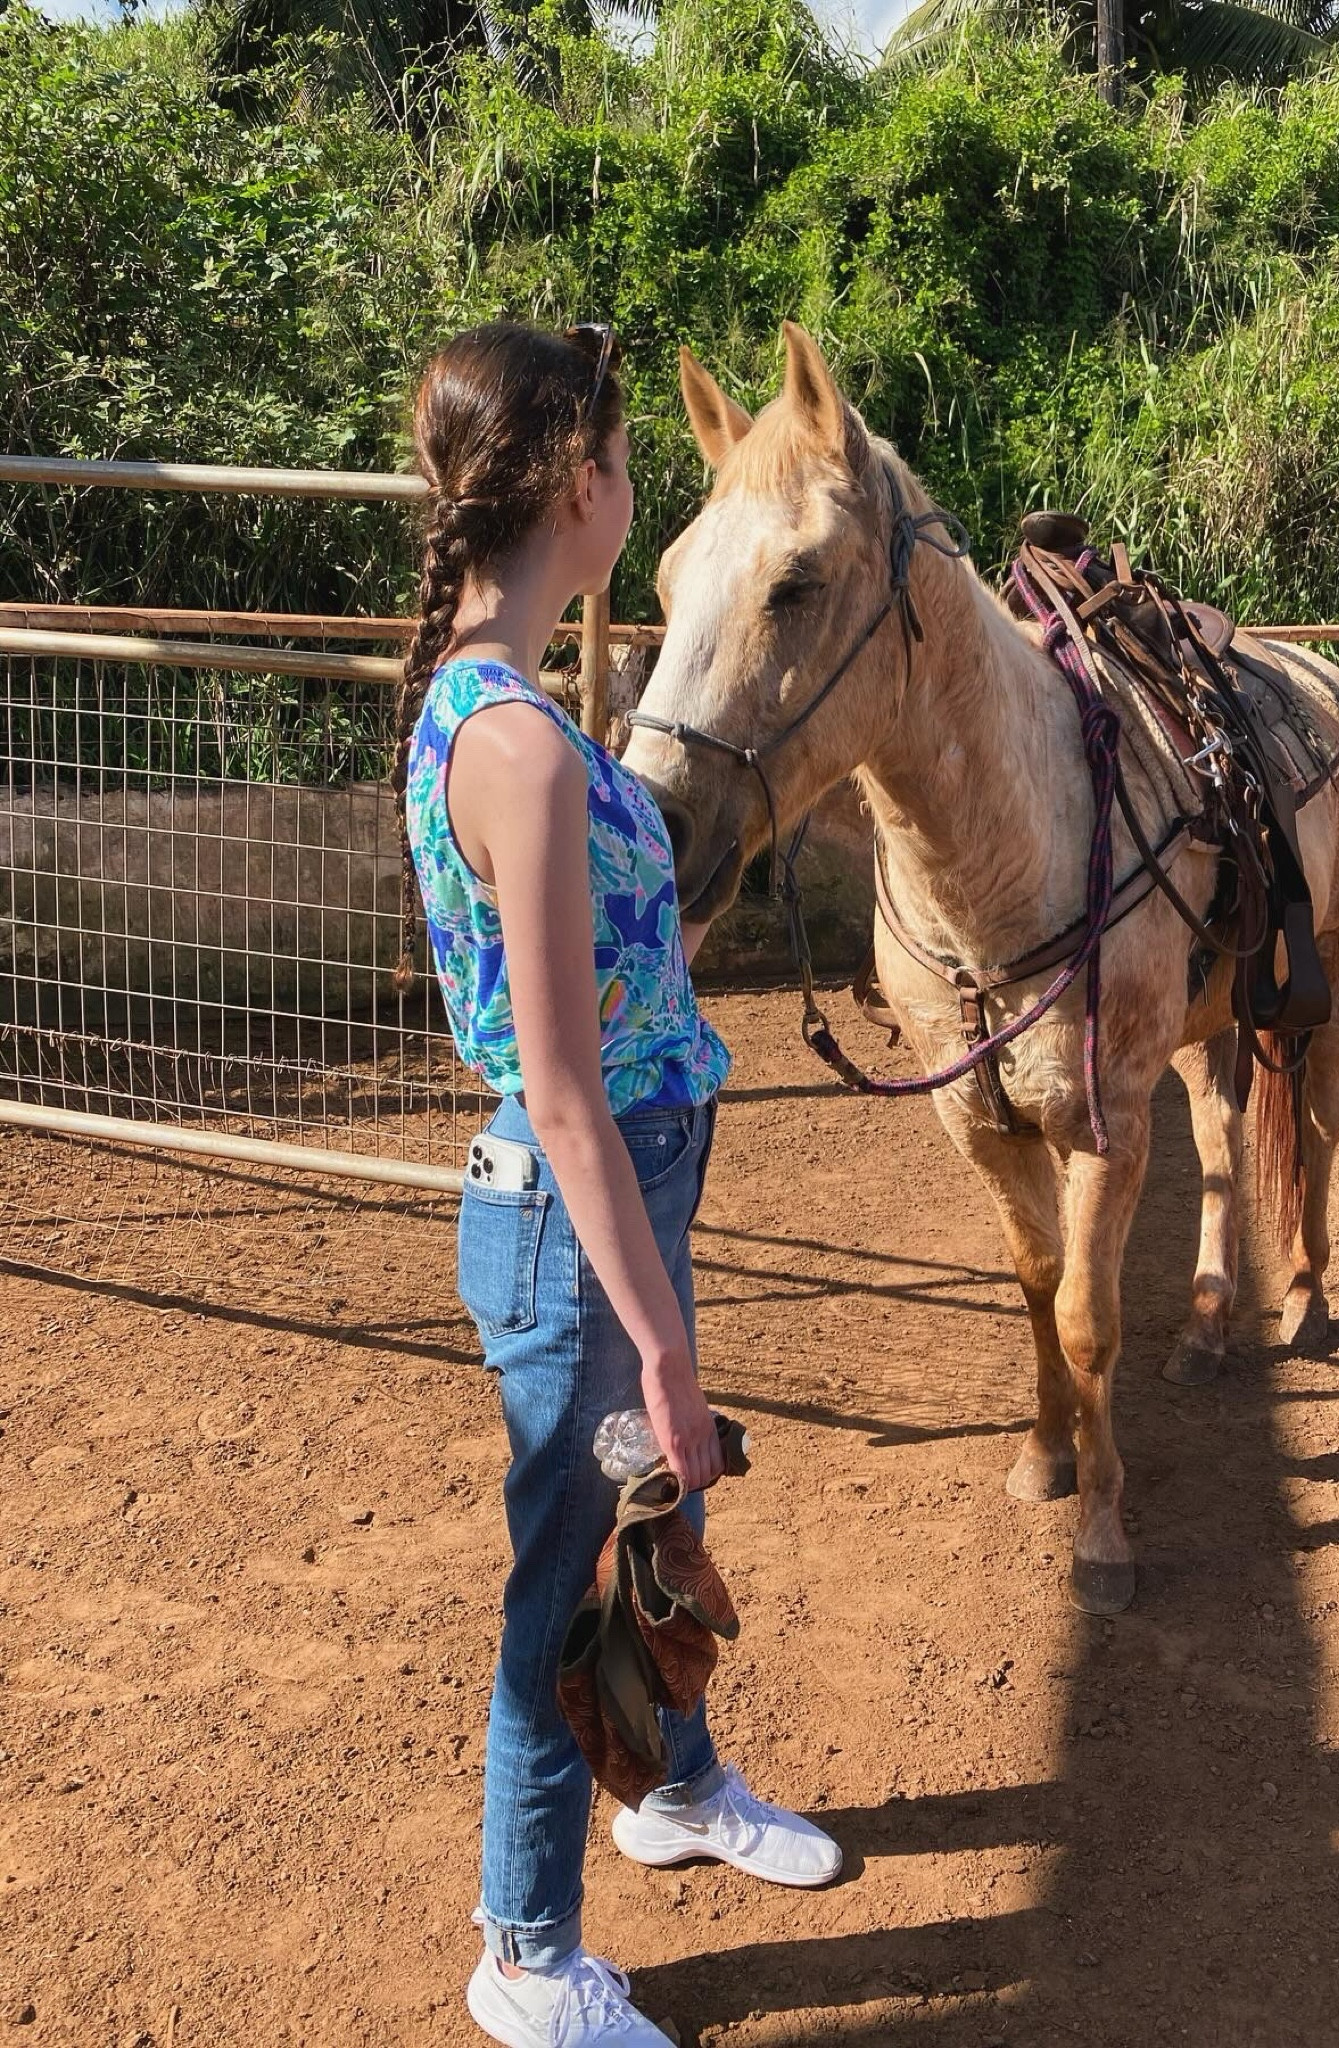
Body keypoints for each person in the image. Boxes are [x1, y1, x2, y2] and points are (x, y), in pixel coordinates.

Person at [395, 321, 841, 2048]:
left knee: (653, 1534)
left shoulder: (509, 704)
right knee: (565, 1584)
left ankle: (668, 1787)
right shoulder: (511, 743)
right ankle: (524, 1955)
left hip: (629, 1196)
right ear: (580, 484)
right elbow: (564, 1089)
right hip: (583, 1218)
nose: (638, 487)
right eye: (628, 464)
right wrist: (663, 1350)